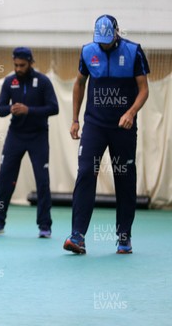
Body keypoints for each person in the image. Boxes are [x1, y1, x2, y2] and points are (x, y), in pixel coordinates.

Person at [63, 15, 149, 255]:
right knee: (86, 173)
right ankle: (77, 236)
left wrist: (131, 112)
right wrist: (75, 120)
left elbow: (144, 89)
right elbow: (79, 83)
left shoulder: (134, 52)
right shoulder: (88, 51)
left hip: (123, 128)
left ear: (116, 33)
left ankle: (124, 237)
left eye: (108, 41)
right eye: (100, 41)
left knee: (124, 178)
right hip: (95, 126)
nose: (104, 45)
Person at [0, 47, 59, 238]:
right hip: (16, 136)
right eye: (16, 65)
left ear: (30, 63)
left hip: (38, 136)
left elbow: (54, 108)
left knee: (42, 181)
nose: (18, 68)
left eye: (22, 65)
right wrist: (12, 108)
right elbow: (0, 109)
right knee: (4, 179)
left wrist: (29, 110)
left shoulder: (43, 81)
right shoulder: (10, 81)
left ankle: (45, 226)